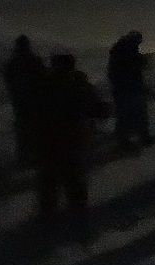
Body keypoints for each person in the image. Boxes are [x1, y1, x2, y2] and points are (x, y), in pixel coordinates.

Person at [38, 53, 109, 234]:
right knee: (73, 176)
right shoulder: (78, 83)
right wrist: (103, 110)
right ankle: (78, 215)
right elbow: (95, 107)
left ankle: (48, 214)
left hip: (49, 137)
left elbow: (31, 111)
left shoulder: (45, 84)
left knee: (50, 175)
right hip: (73, 136)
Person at [107, 31, 155, 149]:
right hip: (130, 89)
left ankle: (125, 140)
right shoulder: (127, 51)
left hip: (123, 89)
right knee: (137, 115)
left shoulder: (119, 50)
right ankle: (139, 139)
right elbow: (133, 66)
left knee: (126, 116)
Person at [3, 35, 47, 166]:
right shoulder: (34, 60)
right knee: (33, 127)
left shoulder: (13, 63)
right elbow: (43, 77)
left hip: (20, 100)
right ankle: (33, 154)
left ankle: (24, 156)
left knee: (23, 127)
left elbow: (8, 80)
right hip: (33, 99)